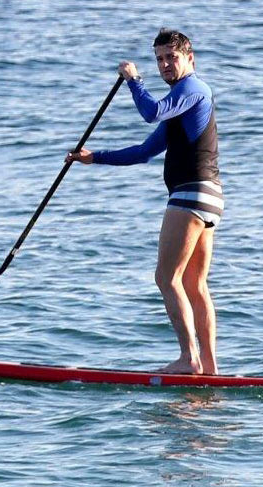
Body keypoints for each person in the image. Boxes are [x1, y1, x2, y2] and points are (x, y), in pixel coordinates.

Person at [65, 29, 222, 375]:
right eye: (160, 59)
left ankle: (189, 359)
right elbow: (144, 152)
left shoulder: (193, 90)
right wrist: (94, 158)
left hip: (190, 194)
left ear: (189, 58)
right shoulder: (182, 106)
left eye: (172, 57)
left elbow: (151, 112)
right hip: (209, 198)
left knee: (167, 278)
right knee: (195, 283)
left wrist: (134, 80)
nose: (165, 64)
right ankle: (209, 368)